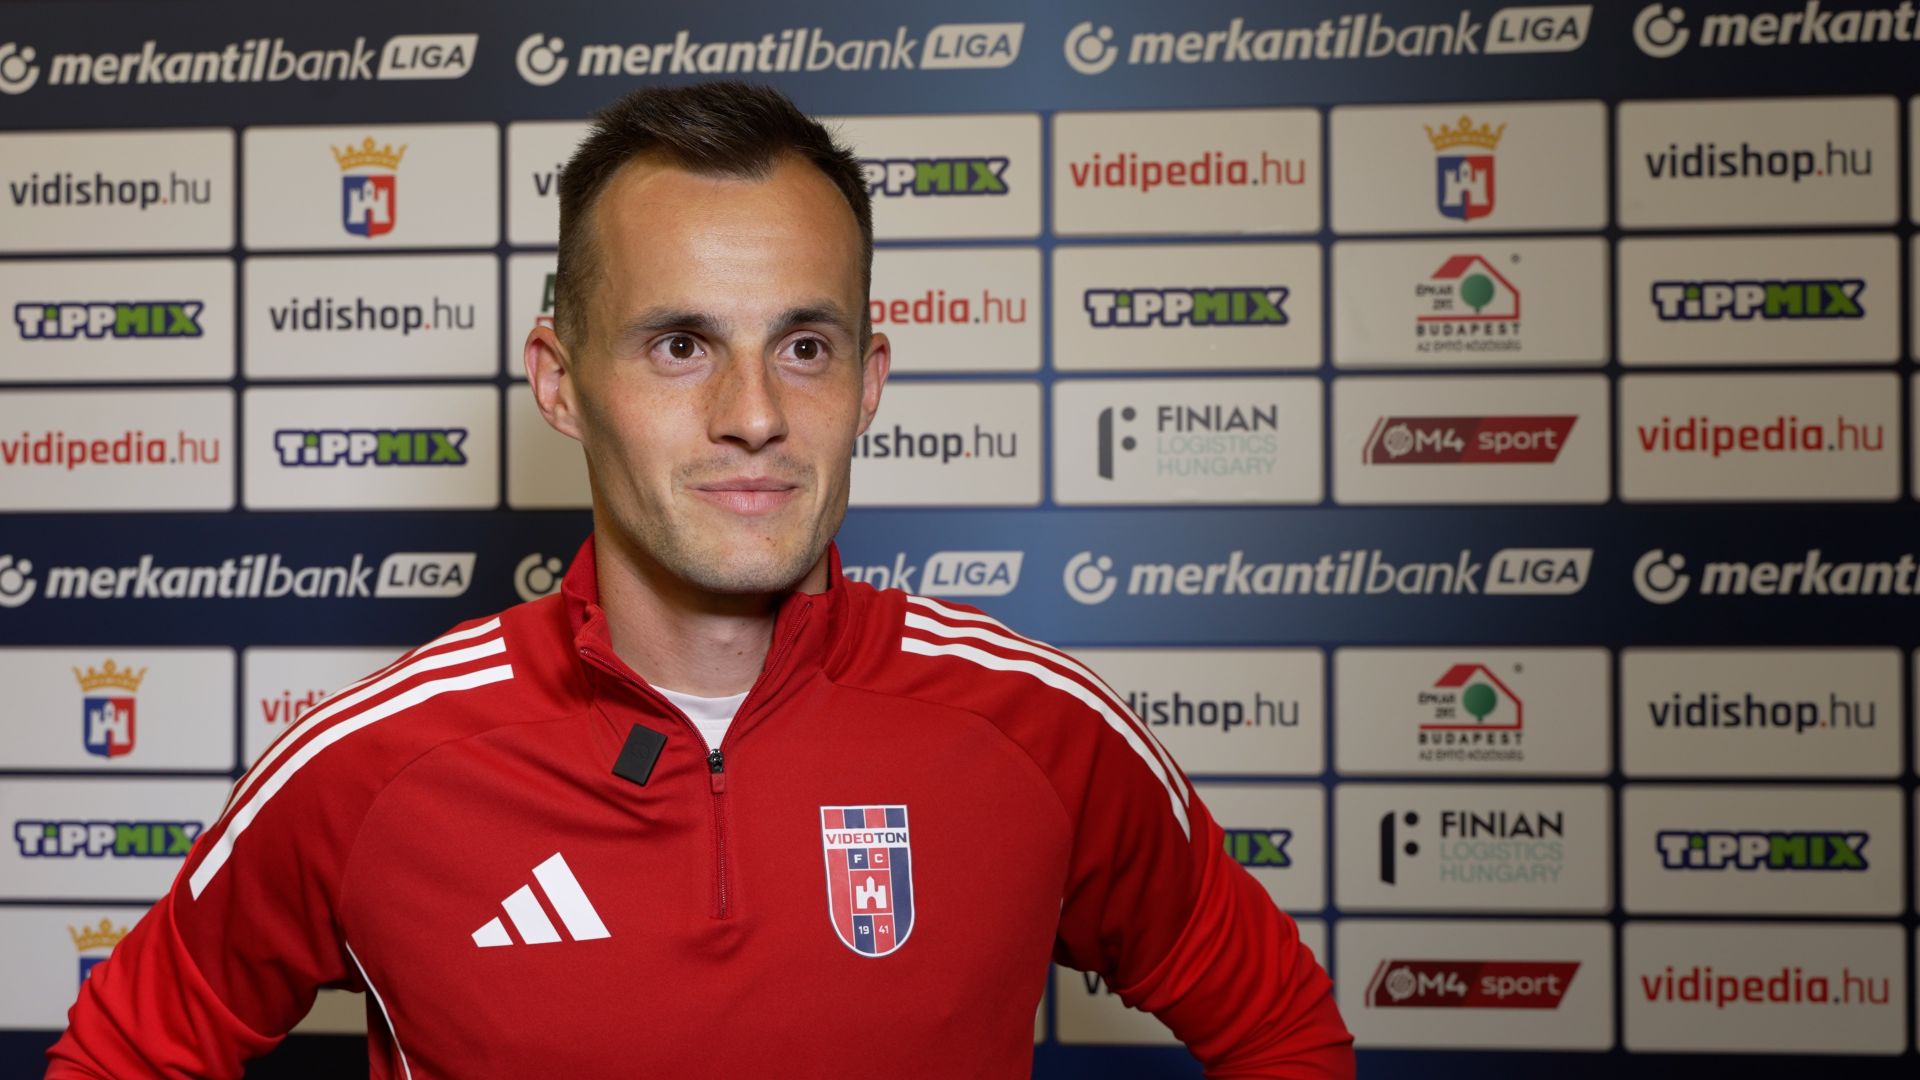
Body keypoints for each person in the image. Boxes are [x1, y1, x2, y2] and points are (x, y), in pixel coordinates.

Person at [48, 81, 1353, 1078]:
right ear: (562, 383)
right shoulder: (371, 768)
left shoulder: (1043, 730)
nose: (754, 415)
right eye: (680, 344)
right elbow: (118, 1059)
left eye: (805, 345)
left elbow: (1283, 1031)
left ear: (870, 382)